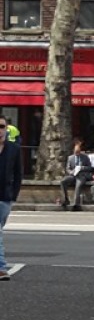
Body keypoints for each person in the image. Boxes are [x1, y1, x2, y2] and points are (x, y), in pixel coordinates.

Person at [0, 116, 22, 281]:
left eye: (1, 126)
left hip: (4, 197)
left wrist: (13, 195)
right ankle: (1, 267)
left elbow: (18, 173)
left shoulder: (13, 149)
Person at [59, 138, 94, 210]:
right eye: (76, 152)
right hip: (73, 175)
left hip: (81, 175)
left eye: (78, 152)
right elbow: (68, 169)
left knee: (78, 186)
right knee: (63, 182)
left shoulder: (85, 157)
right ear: (74, 151)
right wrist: (72, 172)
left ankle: (76, 204)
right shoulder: (70, 158)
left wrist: (82, 168)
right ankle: (65, 200)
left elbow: (90, 168)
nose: (77, 154)